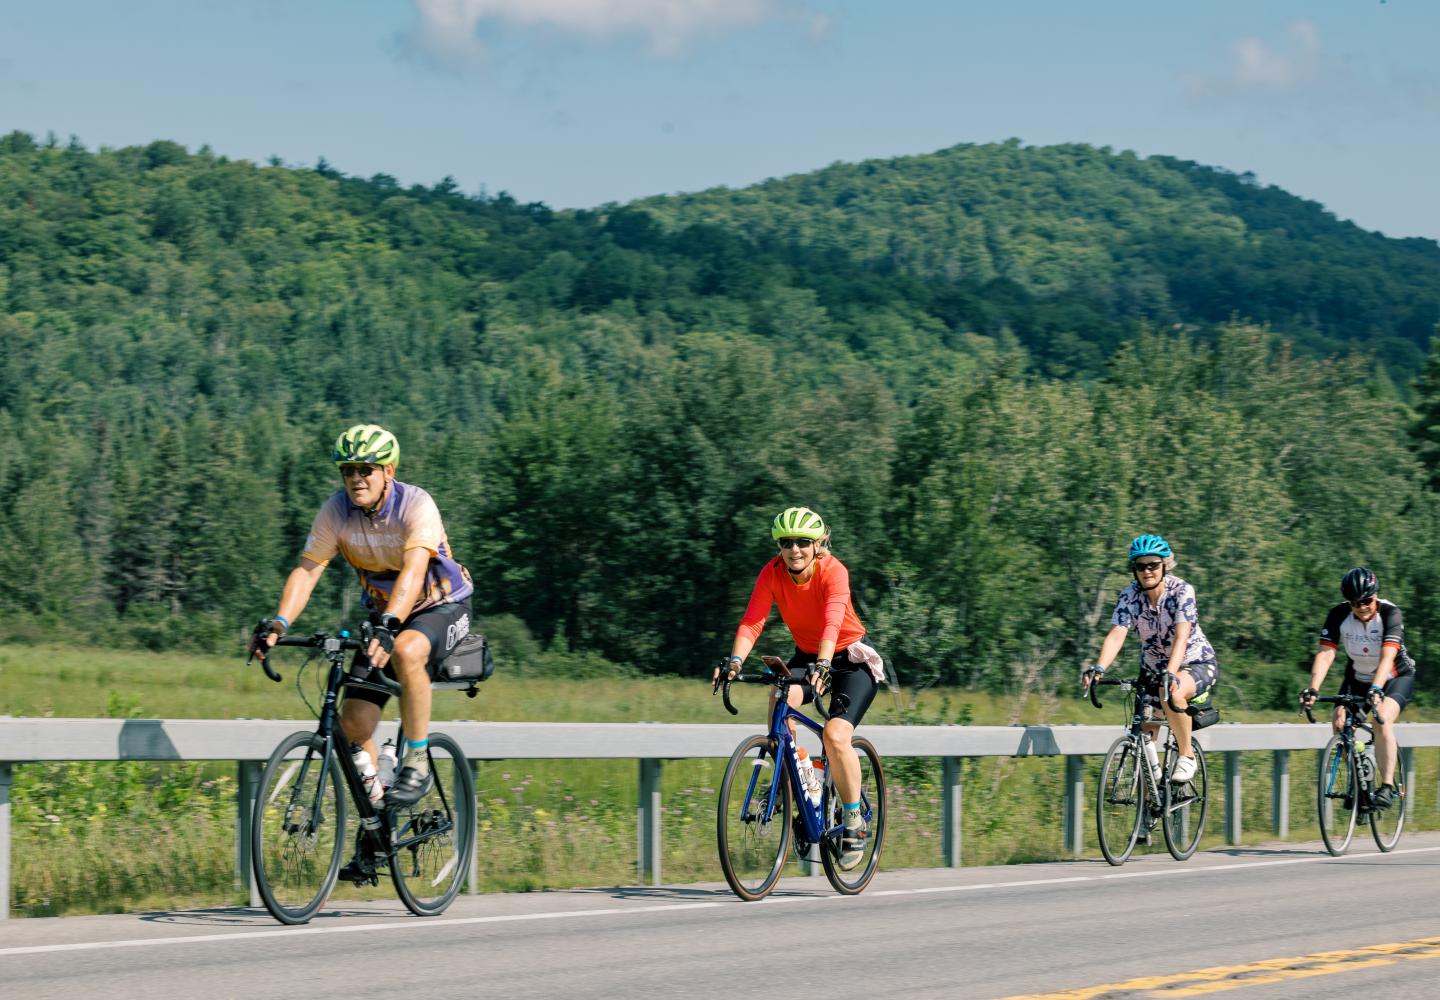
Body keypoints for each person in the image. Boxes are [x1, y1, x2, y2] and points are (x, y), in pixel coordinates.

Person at [249, 424, 474, 812]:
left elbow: (414, 570)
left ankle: (417, 761)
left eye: (365, 470)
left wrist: (389, 627)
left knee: (405, 651)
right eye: (347, 470)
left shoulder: (416, 504)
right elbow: (307, 571)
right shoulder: (336, 512)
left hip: (442, 605)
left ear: (388, 471)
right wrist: (279, 623)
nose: (355, 479)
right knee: (352, 724)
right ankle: (378, 818)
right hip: (384, 618)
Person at [712, 506, 886, 871]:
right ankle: (800, 775)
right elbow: (752, 621)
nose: (795, 550)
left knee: (837, 736)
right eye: (787, 542)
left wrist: (824, 666)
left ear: (818, 544)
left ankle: (853, 821)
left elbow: (832, 622)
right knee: (779, 697)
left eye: (804, 542)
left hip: (848, 657)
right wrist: (734, 662)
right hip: (809, 654)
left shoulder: (833, 571)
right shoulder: (772, 573)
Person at [1081, 534, 1218, 785]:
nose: (1147, 571)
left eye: (1153, 565)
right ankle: (1151, 799)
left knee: (1171, 692)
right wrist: (1099, 668)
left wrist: (1171, 673)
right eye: (1140, 566)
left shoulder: (1181, 591)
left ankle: (1186, 755)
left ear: (1165, 565)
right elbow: (1117, 634)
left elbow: (1181, 636)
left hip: (1194, 662)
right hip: (1153, 668)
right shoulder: (1130, 596)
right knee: (1144, 735)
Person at [1299, 567, 1415, 810]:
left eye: (1367, 601)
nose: (1362, 607)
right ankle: (1359, 783)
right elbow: (1326, 654)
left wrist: (1376, 688)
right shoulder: (1338, 615)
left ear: (1376, 596)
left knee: (1381, 719)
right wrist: (1313, 688)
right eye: (1355, 602)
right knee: (1339, 722)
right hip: (1358, 678)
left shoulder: (1390, 613)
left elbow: (1387, 657)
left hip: (1395, 676)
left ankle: (1386, 786)